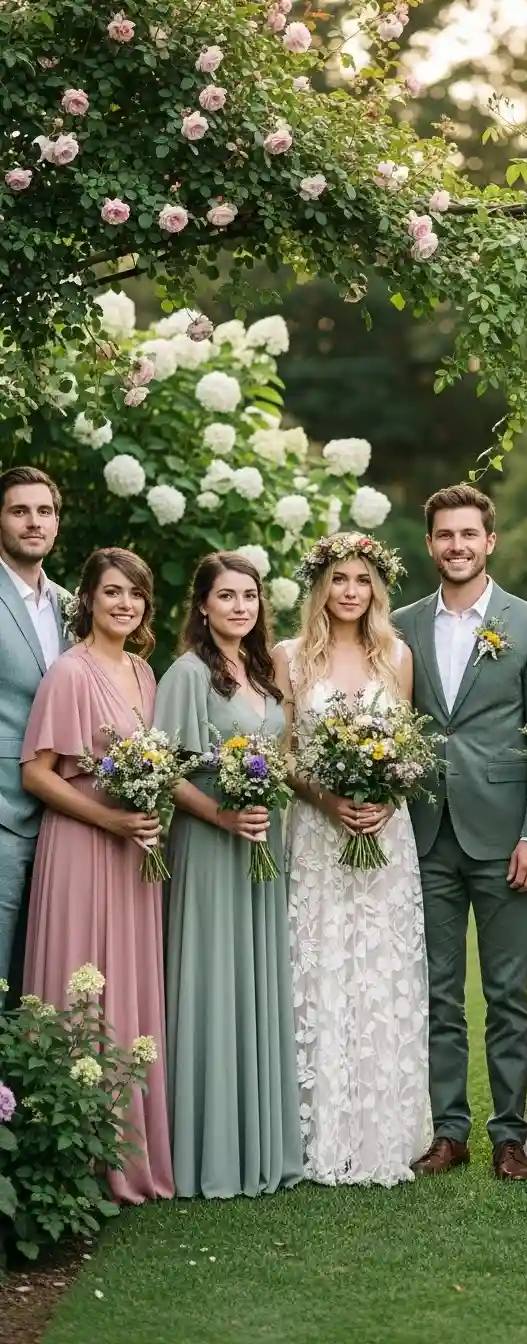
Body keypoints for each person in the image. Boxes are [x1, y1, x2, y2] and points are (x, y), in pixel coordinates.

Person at [392, 485, 527, 1180]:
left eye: (469, 534)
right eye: (445, 535)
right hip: (425, 831)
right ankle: (450, 1130)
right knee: (436, 990)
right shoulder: (399, 624)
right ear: (430, 543)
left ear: (490, 541)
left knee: (505, 993)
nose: (457, 545)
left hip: (505, 837)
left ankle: (510, 1134)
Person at [276, 531, 432, 1187]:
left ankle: (382, 1127)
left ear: (376, 587)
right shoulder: (288, 657)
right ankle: (318, 1127)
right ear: (321, 586)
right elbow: (283, 754)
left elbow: (410, 746)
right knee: (319, 967)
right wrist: (326, 796)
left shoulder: (396, 655)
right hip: (317, 835)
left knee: (379, 971)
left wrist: (388, 800)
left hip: (383, 837)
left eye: (360, 579)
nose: (349, 591)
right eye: (338, 579)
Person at [21, 548, 173, 1203]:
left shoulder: (144, 672)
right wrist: (110, 822)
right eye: (112, 591)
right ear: (87, 598)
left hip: (134, 851)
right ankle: (72, 1159)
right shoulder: (69, 672)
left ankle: (129, 1153)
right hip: (84, 846)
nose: (125, 603)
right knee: (81, 987)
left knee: (129, 993)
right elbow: (37, 771)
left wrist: (145, 813)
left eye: (135, 593)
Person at [154, 552, 302, 1199]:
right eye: (228, 596)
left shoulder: (267, 674)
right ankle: (207, 1151)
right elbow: (164, 767)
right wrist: (220, 813)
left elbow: (283, 757)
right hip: (213, 847)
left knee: (255, 983)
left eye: (250, 596)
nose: (241, 606)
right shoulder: (187, 674)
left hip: (263, 849)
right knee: (214, 981)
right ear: (203, 606)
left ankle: (258, 1144)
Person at [0, 466, 69, 987]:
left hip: (64, 812)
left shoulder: (71, 607)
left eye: (43, 511)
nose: (33, 522)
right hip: (2, 806)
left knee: (43, 966)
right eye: (19, 510)